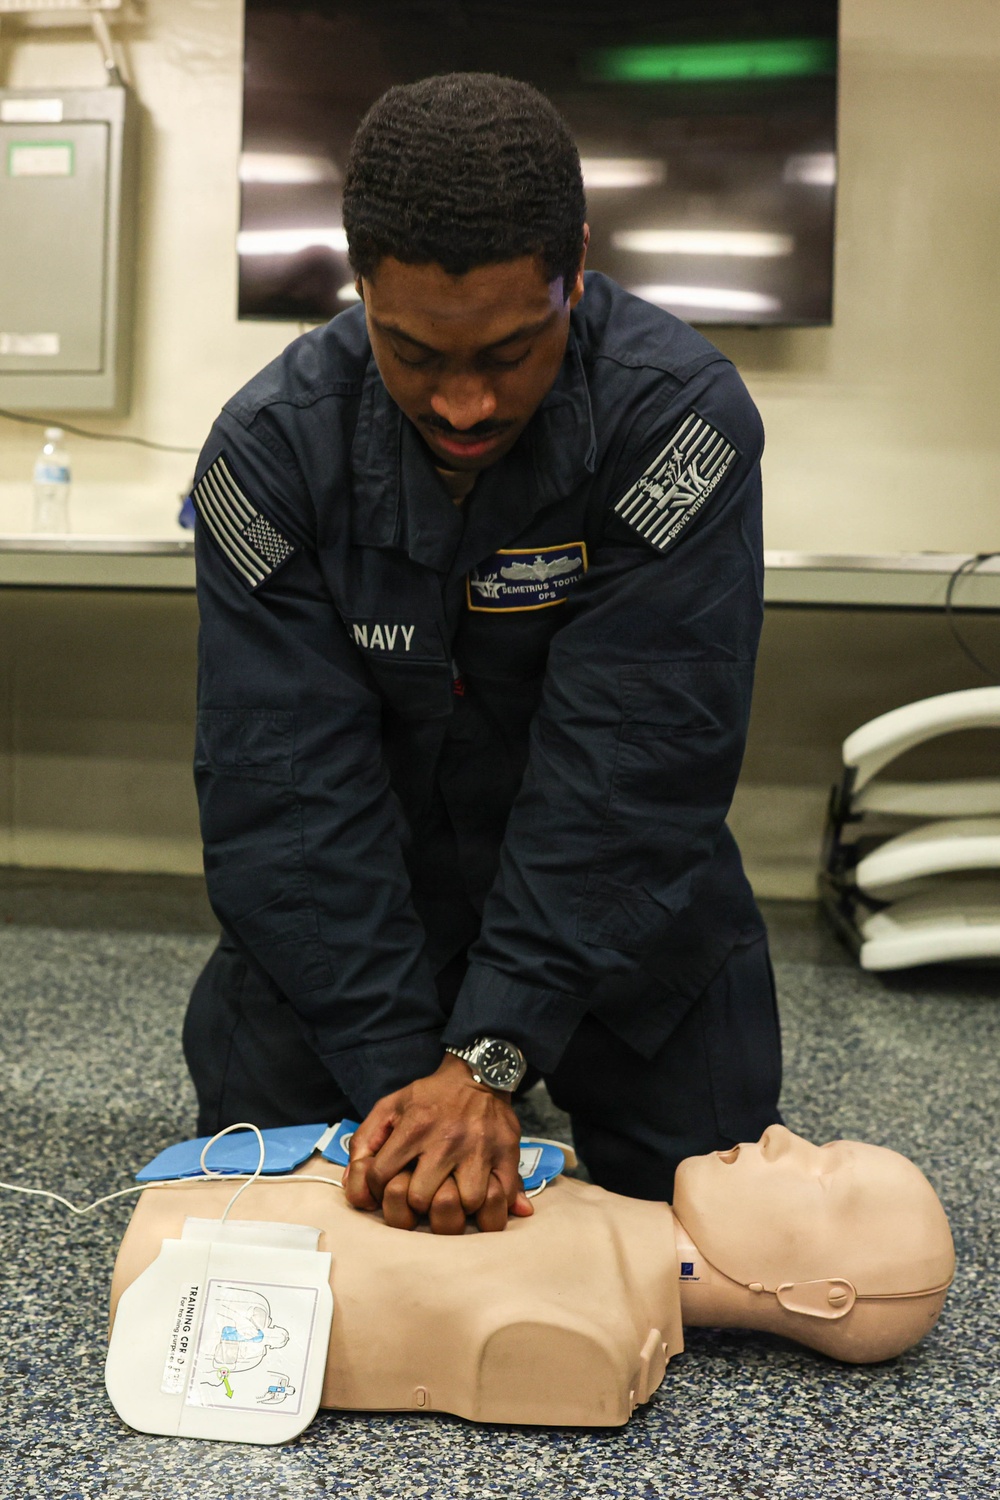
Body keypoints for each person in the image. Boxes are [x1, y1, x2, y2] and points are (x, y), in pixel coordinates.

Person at [183, 71, 781, 1234]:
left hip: (622, 897)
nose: (462, 403)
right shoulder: (267, 453)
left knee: (721, 1227)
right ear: (357, 290)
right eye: (413, 353)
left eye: (512, 350)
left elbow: (636, 763)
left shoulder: (680, 423)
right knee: (271, 1217)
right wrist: (402, 1078)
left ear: (578, 267)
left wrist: (493, 1051)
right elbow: (286, 789)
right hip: (354, 903)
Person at [108, 1126, 955, 1428]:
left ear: (818, 1297)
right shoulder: (601, 1216)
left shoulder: (594, 1337)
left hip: (183, 1271)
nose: (780, 1137)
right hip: (224, 1196)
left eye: (821, 1176)